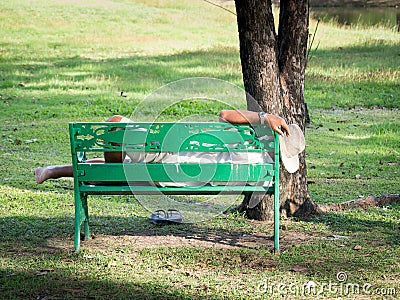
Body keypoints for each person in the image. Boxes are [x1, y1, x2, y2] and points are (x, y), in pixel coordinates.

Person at [34, 110, 290, 184]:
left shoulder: (246, 144)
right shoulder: (262, 166)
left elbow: (225, 114)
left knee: (115, 125)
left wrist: (264, 118)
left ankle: (56, 170)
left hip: (167, 156)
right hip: (171, 170)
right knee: (121, 163)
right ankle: (53, 170)